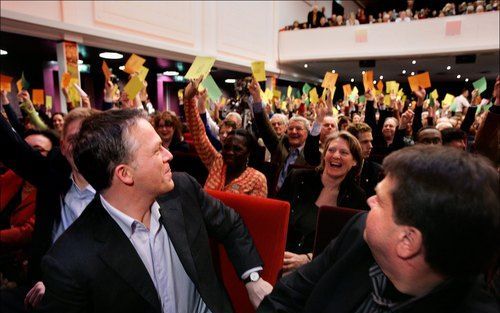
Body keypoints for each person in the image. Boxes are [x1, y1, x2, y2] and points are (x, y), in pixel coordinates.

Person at [37, 108, 272, 313]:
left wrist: (252, 278)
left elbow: (230, 224)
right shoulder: (70, 263)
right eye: (157, 150)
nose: (169, 155)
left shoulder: (182, 189)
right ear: (125, 174)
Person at [258, 145, 499, 313]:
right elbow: (287, 296)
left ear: (408, 241)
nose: (370, 201)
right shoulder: (357, 235)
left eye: (381, 201)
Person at [0, 97, 96, 309]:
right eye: (72, 139)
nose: (79, 145)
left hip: (92, 294)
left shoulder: (116, 190)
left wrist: (59, 283)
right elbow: (14, 149)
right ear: (62, 147)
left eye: (87, 137)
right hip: (38, 292)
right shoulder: (53, 181)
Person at [278, 132, 366, 273]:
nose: (336, 155)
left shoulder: (357, 197)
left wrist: (308, 259)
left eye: (344, 152)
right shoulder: (297, 178)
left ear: (354, 161)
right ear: (324, 155)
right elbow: (276, 219)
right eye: (331, 150)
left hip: (319, 270)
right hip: (280, 259)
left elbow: (348, 245)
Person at [184, 79, 267, 197]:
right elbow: (198, 134)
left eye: (237, 149)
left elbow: (253, 214)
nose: (230, 152)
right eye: (227, 147)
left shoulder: (257, 180)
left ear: (248, 152)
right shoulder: (217, 162)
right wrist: (189, 99)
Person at [346, 122, 383, 197]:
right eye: (365, 142)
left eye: (371, 141)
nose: (370, 146)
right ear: (352, 143)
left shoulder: (377, 171)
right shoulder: (339, 168)